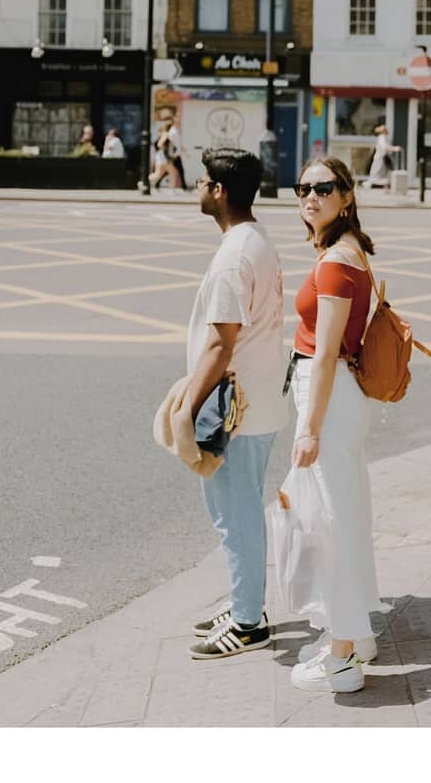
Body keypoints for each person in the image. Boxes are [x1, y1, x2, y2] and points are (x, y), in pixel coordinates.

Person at [286, 156, 385, 694]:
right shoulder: (348, 253)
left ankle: (343, 655)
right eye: (303, 187)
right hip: (340, 397)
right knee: (345, 516)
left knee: (332, 527)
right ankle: (355, 638)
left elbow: (324, 355)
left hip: (327, 396)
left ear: (347, 196)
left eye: (324, 188)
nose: (311, 196)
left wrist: (308, 427)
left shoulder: (335, 263)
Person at [186, 149, 286, 660]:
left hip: (235, 410)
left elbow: (221, 344)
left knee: (235, 512)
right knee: (238, 506)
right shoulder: (255, 239)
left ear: (220, 191)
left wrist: (187, 408)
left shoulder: (233, 257)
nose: (198, 188)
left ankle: (248, 623)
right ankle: (247, 603)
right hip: (258, 399)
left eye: (203, 182)